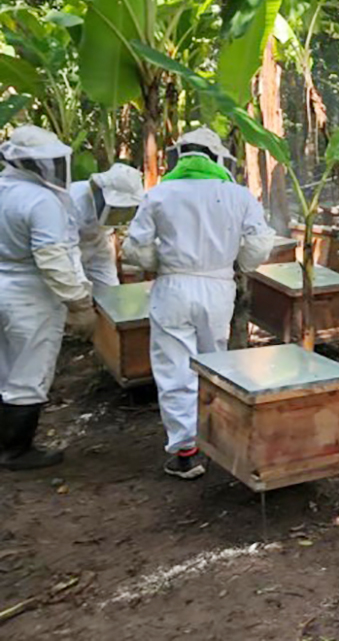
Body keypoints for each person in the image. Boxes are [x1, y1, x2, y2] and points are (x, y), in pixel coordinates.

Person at [122, 128, 274, 480]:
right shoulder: (238, 194)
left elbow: (135, 249)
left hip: (173, 288)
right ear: (216, 157)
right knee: (214, 363)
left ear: (179, 157)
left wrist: (162, 263)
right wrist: (237, 263)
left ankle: (186, 453)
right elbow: (259, 244)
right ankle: (219, 436)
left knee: (175, 369)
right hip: (218, 288)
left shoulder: (158, 194)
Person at [0, 126, 94, 471]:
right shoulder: (41, 201)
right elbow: (52, 259)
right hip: (31, 295)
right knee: (29, 371)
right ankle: (15, 450)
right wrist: (79, 302)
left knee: (4, 367)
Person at [69, 164, 144, 291]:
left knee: (111, 291)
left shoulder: (104, 215)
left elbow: (102, 250)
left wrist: (113, 293)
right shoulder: (74, 200)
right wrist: (81, 288)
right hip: (64, 252)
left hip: (96, 245)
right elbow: (67, 249)